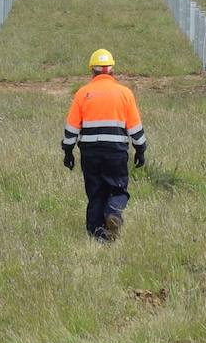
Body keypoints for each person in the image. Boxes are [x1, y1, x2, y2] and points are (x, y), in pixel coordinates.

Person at [61, 48, 147, 241]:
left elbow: (71, 129)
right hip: (116, 152)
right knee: (117, 189)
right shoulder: (125, 93)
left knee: (95, 192)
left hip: (90, 154)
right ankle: (114, 213)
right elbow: (135, 128)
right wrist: (140, 150)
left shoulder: (83, 93)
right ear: (112, 70)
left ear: (92, 71)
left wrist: (68, 152)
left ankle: (97, 235)